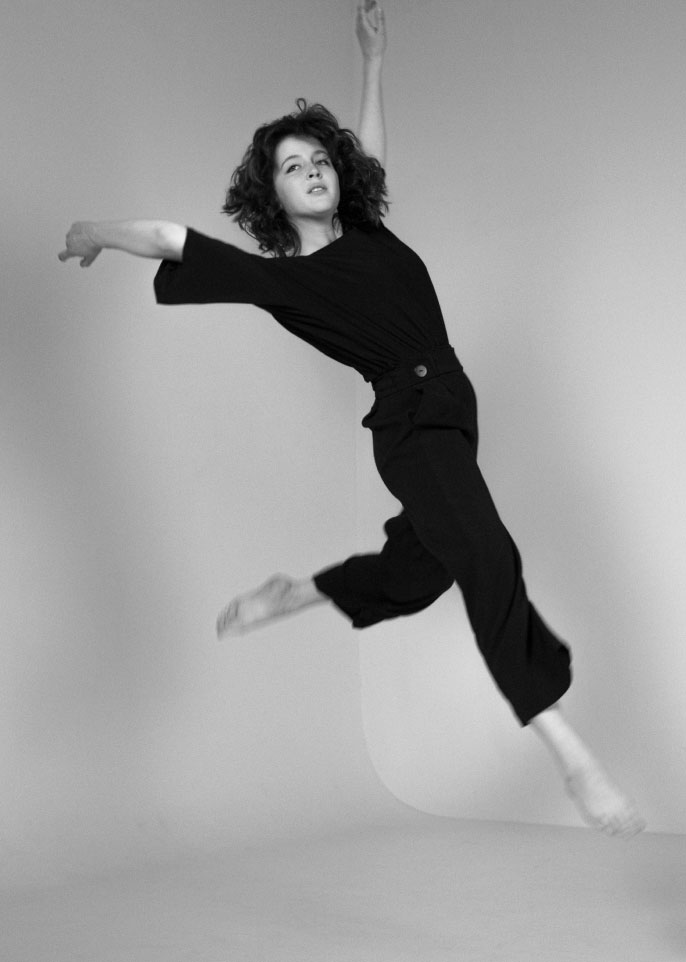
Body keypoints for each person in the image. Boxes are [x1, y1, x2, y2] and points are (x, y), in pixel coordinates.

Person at [59, 1, 645, 838]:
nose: (313, 170)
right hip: (410, 426)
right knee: (487, 554)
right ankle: (573, 757)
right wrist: (91, 231)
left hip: (451, 407)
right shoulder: (282, 281)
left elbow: (368, 154)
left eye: (319, 159)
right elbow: (166, 235)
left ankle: (299, 592)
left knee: (421, 572)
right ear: (270, 194)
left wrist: (372, 62)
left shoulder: (369, 231)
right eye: (291, 166)